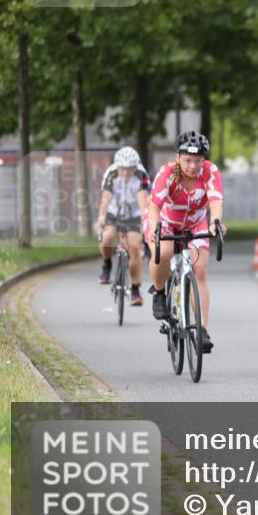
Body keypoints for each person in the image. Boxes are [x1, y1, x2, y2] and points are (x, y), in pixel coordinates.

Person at [147, 131, 227, 353]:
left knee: (199, 271)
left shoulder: (210, 172)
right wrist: (155, 228)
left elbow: (216, 201)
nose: (192, 166)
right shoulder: (168, 173)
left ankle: (201, 330)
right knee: (163, 252)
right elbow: (154, 205)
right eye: (187, 161)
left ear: (204, 160)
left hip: (196, 223)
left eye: (197, 161)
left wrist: (216, 223)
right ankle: (160, 291)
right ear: (178, 158)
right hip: (166, 220)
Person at [95, 146, 149, 306]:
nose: (125, 173)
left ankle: (135, 289)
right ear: (117, 167)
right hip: (114, 212)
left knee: (134, 249)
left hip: (133, 215)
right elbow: (105, 199)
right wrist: (101, 218)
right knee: (107, 237)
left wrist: (145, 222)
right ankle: (106, 264)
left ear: (135, 167)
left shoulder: (141, 174)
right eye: (122, 169)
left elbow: (143, 200)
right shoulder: (111, 174)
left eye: (129, 169)